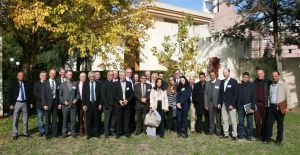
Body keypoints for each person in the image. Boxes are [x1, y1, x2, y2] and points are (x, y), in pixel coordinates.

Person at [265, 71, 292, 145]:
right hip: (272, 106)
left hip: (281, 105)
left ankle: (278, 140)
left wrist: (288, 107)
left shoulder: (284, 84)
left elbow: (288, 96)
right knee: (268, 124)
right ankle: (268, 138)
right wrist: (268, 105)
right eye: (273, 76)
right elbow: (269, 97)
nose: (274, 77)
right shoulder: (271, 85)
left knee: (280, 125)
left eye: (275, 76)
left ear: (279, 76)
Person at [9, 71, 32, 140]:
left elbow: (30, 94)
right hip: (17, 103)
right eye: (19, 76)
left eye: (22, 76)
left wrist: (31, 103)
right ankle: (15, 133)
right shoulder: (14, 84)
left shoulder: (27, 84)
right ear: (17, 76)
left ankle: (25, 132)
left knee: (25, 118)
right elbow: (10, 95)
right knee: (15, 118)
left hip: (25, 103)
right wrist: (11, 104)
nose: (21, 77)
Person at [218, 69, 238, 140]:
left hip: (231, 105)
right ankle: (226, 133)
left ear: (229, 73)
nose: (224, 74)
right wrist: (219, 103)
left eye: (226, 73)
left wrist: (232, 104)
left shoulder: (234, 81)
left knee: (233, 121)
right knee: (224, 120)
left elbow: (236, 94)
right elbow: (220, 93)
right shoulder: (222, 82)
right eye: (223, 73)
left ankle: (235, 135)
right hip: (223, 104)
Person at [59, 70, 79, 138]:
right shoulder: (62, 84)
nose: (70, 76)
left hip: (73, 105)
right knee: (65, 119)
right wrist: (63, 101)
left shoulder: (75, 83)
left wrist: (76, 99)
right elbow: (60, 95)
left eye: (71, 74)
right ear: (66, 75)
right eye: (69, 74)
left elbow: (78, 94)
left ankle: (72, 132)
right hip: (65, 105)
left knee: (73, 120)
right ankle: (64, 132)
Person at [113, 70, 134, 138]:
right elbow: (114, 95)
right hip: (119, 105)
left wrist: (127, 100)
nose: (123, 77)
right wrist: (119, 101)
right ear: (119, 76)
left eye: (124, 75)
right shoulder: (115, 83)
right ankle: (118, 133)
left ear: (125, 76)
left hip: (127, 105)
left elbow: (132, 94)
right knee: (119, 119)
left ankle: (127, 133)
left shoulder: (129, 83)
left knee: (126, 119)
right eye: (121, 75)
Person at [82, 71, 102, 139]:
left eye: (93, 76)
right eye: (90, 77)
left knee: (96, 119)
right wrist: (84, 105)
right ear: (88, 77)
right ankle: (89, 134)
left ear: (94, 76)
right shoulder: (85, 84)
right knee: (88, 120)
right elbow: (83, 95)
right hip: (88, 104)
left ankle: (96, 133)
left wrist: (100, 104)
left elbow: (100, 95)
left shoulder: (98, 84)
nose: (92, 78)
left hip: (96, 104)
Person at [237, 72, 256, 141]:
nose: (245, 78)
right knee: (241, 122)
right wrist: (237, 105)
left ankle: (249, 135)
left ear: (249, 78)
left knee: (249, 122)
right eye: (244, 77)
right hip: (241, 106)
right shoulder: (239, 85)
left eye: (247, 77)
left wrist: (252, 107)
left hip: (248, 106)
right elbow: (237, 96)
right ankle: (241, 135)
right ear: (242, 77)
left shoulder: (252, 85)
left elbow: (254, 97)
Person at [254, 69, 272, 141]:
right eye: (258, 74)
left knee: (265, 120)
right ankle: (259, 135)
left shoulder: (268, 82)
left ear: (264, 74)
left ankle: (264, 135)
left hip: (265, 104)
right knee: (257, 120)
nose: (259, 75)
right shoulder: (255, 82)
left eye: (261, 73)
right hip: (256, 104)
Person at [42, 69, 60, 139]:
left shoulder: (57, 82)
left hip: (55, 102)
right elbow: (43, 95)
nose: (53, 75)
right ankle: (47, 133)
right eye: (51, 73)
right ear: (49, 74)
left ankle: (54, 133)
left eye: (54, 73)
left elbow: (58, 94)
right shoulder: (45, 83)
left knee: (55, 119)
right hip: (47, 104)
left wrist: (59, 103)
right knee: (47, 119)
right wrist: (44, 105)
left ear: (55, 74)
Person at [204, 71, 222, 136]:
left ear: (216, 75)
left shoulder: (219, 82)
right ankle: (211, 130)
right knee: (211, 118)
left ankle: (218, 131)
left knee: (218, 118)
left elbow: (221, 94)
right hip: (210, 103)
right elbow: (205, 94)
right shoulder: (207, 83)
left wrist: (220, 103)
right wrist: (206, 104)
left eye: (213, 75)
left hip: (217, 103)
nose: (212, 76)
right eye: (211, 75)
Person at [101, 71, 115, 138]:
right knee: (107, 120)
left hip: (114, 105)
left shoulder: (114, 83)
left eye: (112, 75)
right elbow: (103, 95)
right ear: (107, 75)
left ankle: (111, 131)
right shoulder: (104, 83)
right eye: (110, 75)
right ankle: (106, 133)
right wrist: (106, 104)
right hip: (107, 106)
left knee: (113, 120)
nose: (111, 76)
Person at [33, 71, 47, 137]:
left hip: (47, 105)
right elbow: (35, 93)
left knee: (47, 119)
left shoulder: (48, 83)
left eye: (45, 75)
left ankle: (47, 130)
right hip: (39, 105)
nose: (44, 76)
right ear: (40, 76)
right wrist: (43, 98)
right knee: (40, 119)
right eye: (43, 75)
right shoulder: (36, 84)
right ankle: (41, 131)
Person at [125, 67, 136, 133]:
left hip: (133, 101)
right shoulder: (123, 80)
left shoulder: (133, 80)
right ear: (126, 73)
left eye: (130, 72)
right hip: (126, 101)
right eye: (128, 72)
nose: (129, 73)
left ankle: (132, 128)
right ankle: (127, 129)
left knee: (132, 115)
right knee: (127, 116)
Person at [56, 67, 66, 134]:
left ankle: (66, 129)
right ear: (59, 73)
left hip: (67, 101)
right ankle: (60, 130)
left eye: (64, 72)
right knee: (60, 116)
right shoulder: (56, 81)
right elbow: (57, 93)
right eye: (62, 72)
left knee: (67, 116)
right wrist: (59, 103)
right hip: (59, 101)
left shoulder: (68, 79)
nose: (63, 73)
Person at [77, 72, 87, 136]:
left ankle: (86, 130)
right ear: (79, 77)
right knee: (80, 117)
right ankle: (81, 130)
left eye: (84, 76)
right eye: (82, 76)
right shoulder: (76, 84)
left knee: (86, 117)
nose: (83, 78)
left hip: (86, 103)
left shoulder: (87, 84)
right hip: (79, 103)